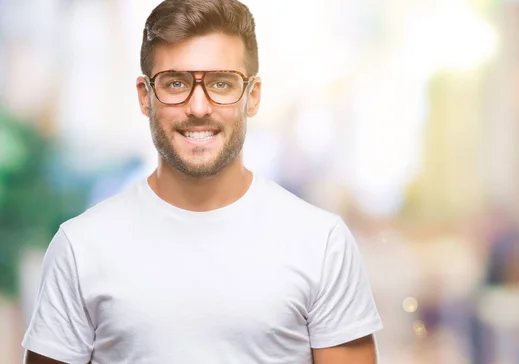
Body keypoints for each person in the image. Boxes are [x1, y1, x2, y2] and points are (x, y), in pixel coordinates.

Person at [22, 0, 383, 363]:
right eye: (176, 83)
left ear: (252, 96)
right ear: (145, 96)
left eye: (221, 83)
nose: (198, 107)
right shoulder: (80, 247)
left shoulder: (322, 244)